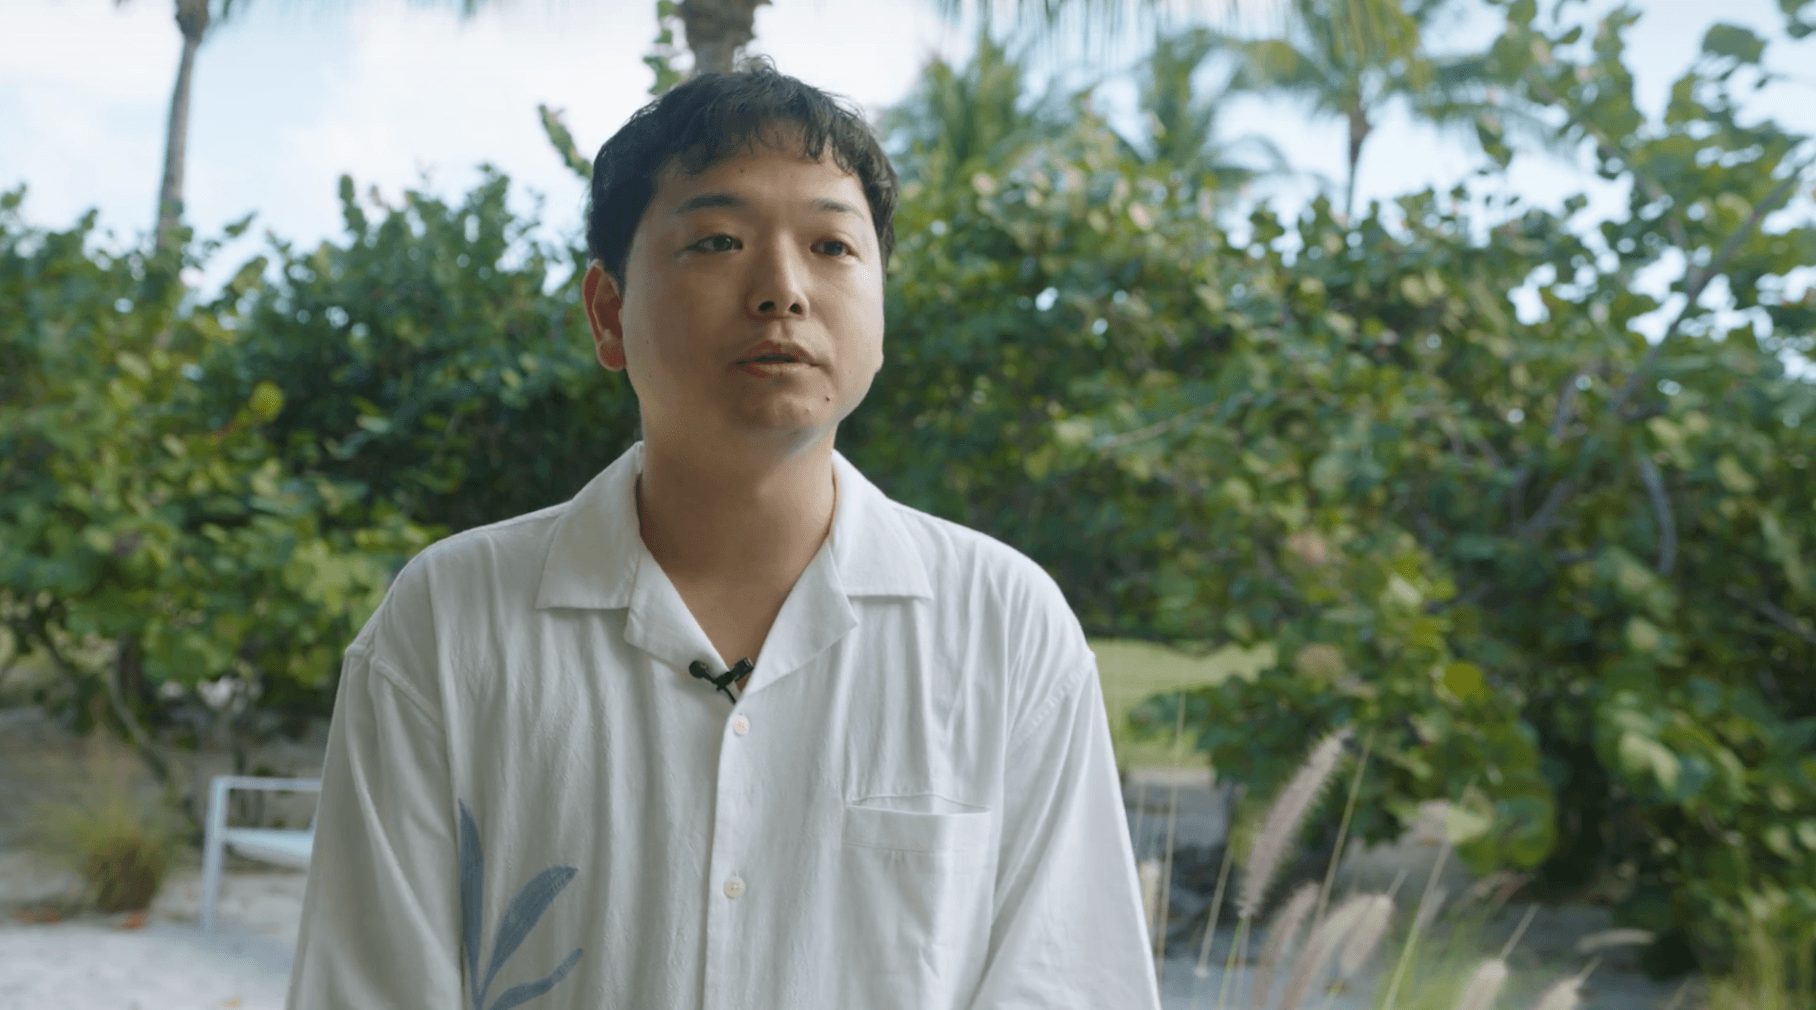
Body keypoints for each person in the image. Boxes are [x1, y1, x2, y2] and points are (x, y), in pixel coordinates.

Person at [287, 59, 1161, 1010]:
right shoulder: (448, 622)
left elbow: (1070, 982)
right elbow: (366, 984)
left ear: (879, 311)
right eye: (717, 239)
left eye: (832, 246)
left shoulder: (1005, 626)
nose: (782, 288)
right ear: (609, 313)